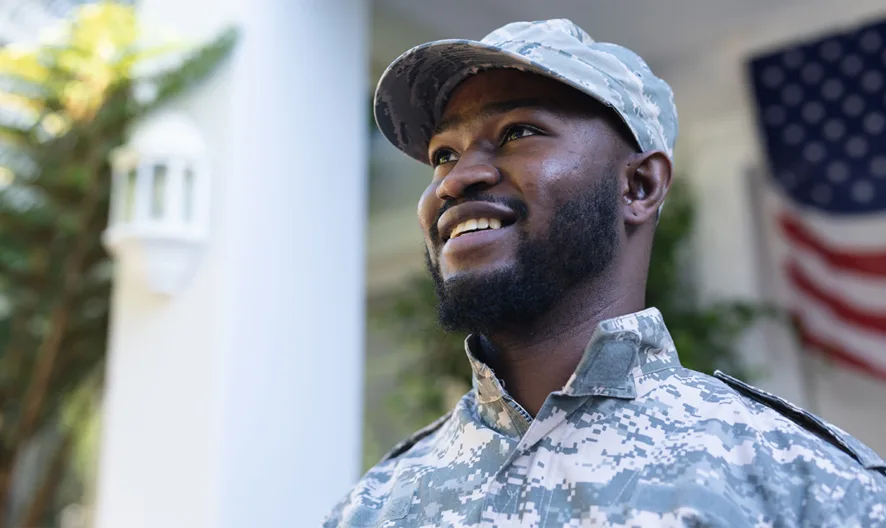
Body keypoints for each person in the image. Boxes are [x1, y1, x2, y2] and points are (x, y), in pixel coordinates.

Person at [324, 18, 886, 528]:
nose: (454, 179)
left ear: (638, 186)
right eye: (443, 153)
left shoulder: (803, 484)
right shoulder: (373, 507)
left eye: (519, 131)